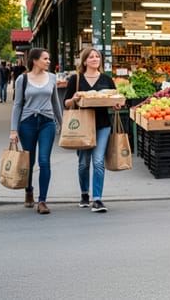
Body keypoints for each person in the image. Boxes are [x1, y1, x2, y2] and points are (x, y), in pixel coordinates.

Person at [64, 47, 122, 213]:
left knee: (98, 161)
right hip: (83, 126)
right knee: (83, 163)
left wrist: (116, 104)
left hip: (103, 124)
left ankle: (97, 199)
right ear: (84, 61)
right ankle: (84, 194)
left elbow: (114, 100)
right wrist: (73, 99)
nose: (95, 59)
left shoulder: (107, 80)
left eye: (97, 56)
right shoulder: (75, 80)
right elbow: (65, 103)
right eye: (91, 57)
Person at [9, 48, 63, 215]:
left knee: (44, 160)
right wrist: (13, 129)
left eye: (49, 58)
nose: (48, 61)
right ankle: (29, 191)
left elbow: (55, 103)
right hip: (27, 124)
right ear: (35, 60)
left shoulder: (52, 78)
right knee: (29, 161)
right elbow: (17, 104)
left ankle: (42, 201)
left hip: (47, 123)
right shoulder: (22, 79)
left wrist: (63, 125)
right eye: (45, 59)